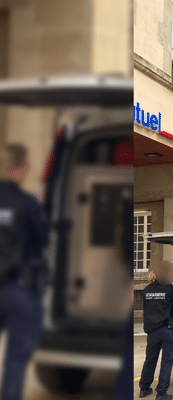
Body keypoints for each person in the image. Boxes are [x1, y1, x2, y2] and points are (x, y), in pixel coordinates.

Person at [0, 144, 49, 400]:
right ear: (19, 169)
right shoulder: (27, 203)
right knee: (16, 361)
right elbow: (42, 241)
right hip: (18, 288)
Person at [139, 261, 173, 400]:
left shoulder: (146, 290)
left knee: (150, 359)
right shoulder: (172, 290)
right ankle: (161, 393)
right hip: (168, 329)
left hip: (152, 331)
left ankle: (144, 388)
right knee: (167, 362)